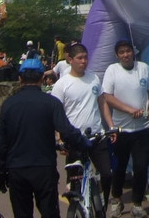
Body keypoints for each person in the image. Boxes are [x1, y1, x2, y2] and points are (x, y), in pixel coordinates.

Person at [0, 56, 87, 218]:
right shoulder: (51, 103)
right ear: (43, 78)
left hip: (17, 169)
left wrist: (0, 171)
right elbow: (66, 131)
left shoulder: (9, 105)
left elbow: (1, 141)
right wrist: (84, 143)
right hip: (44, 168)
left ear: (20, 78)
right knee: (49, 212)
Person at [50, 43, 115, 206]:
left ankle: (102, 208)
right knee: (74, 183)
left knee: (107, 175)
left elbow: (102, 103)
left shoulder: (94, 78)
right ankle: (77, 209)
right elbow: (56, 114)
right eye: (79, 58)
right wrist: (59, 138)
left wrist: (111, 126)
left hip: (97, 136)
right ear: (70, 59)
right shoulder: (61, 84)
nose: (83, 61)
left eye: (86, 57)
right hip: (74, 139)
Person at [101, 39, 149, 218]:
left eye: (128, 51)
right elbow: (108, 97)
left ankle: (137, 204)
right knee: (119, 168)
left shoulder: (143, 68)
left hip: (143, 128)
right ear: (117, 55)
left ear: (133, 52)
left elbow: (148, 92)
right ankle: (117, 200)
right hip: (121, 130)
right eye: (121, 52)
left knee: (141, 168)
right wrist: (129, 110)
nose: (125, 55)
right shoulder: (112, 70)